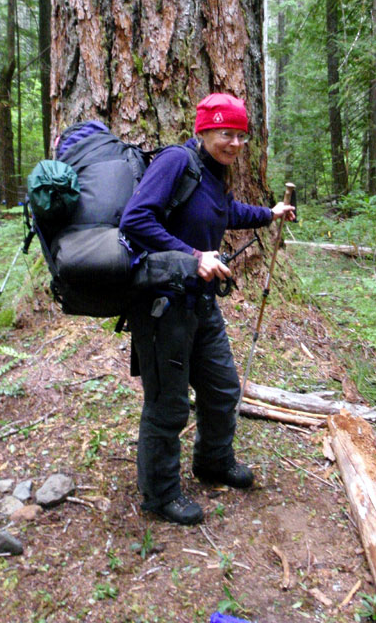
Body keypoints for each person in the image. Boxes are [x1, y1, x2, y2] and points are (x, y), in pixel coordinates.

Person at [119, 93, 295, 525]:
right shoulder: (176, 163)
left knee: (222, 388)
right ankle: (159, 494)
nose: (233, 143)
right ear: (203, 131)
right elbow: (135, 219)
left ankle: (213, 462)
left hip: (200, 304)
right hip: (163, 306)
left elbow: (224, 212)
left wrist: (268, 214)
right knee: (168, 406)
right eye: (224, 133)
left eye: (240, 135)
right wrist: (195, 256)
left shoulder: (213, 173)